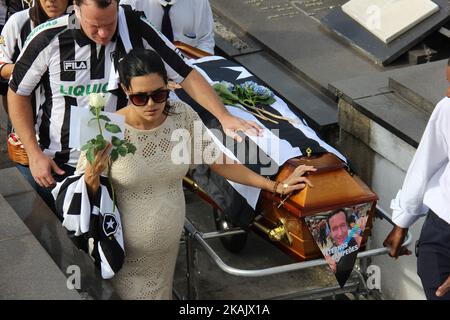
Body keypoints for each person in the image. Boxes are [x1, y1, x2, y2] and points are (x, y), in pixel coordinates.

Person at [59, 48, 316, 299]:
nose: (151, 104)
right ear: (126, 90)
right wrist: (91, 177)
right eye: (141, 97)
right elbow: (79, 200)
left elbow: (219, 161)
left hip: (166, 252)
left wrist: (274, 186)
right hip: (121, 255)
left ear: (169, 86)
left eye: (159, 95)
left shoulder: (181, 116)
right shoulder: (103, 127)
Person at [7, 0, 260, 212]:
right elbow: (17, 93)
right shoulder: (48, 38)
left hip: (119, 163)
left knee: (116, 247)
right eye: (94, 26)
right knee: (69, 251)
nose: (104, 34)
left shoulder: (135, 26)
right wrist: (33, 152)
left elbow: (185, 73)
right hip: (58, 164)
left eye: (109, 24)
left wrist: (224, 116)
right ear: (76, 8)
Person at [383, 59, 450, 300]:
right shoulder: (447, 108)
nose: (447, 93)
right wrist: (403, 220)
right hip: (440, 231)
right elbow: (426, 162)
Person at [0, 0, 71, 106]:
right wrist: (33, 68)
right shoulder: (18, 21)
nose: (51, 0)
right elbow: (2, 67)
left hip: (67, 115)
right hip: (27, 111)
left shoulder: (81, 23)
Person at [121, 0, 215, 54]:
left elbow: (205, 40)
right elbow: (127, 48)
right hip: (148, 71)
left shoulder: (199, 2)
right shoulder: (131, 3)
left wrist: (201, 69)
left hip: (191, 69)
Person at [324, 209, 359, 286]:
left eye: (343, 225)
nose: (340, 233)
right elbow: (331, 251)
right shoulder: (341, 241)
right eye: (335, 228)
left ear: (347, 225)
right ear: (330, 232)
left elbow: (341, 271)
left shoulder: (351, 240)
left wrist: (333, 267)